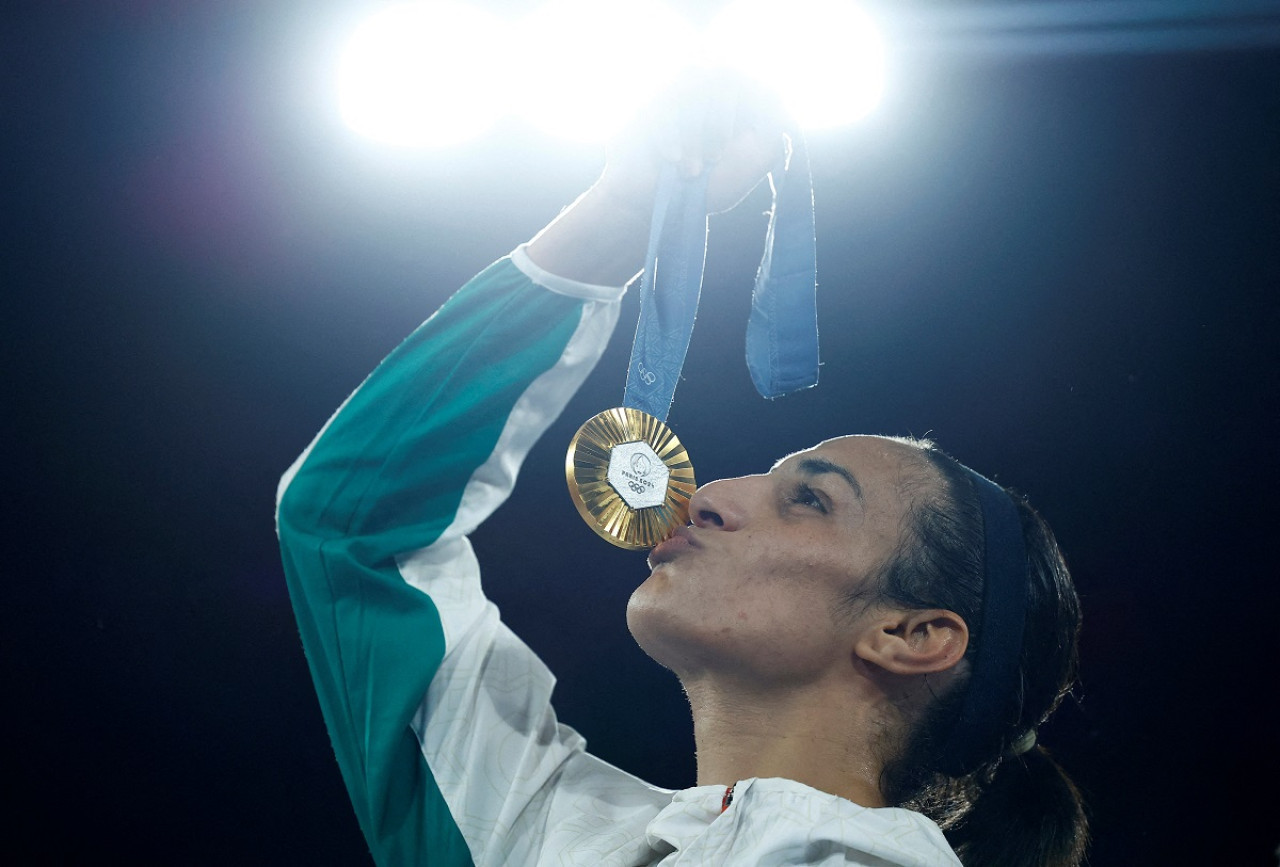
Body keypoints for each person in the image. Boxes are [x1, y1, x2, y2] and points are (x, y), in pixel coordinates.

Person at [275, 75, 1089, 866]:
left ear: (911, 636)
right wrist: (617, 222)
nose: (705, 496)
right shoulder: (542, 835)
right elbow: (352, 526)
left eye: (808, 499)